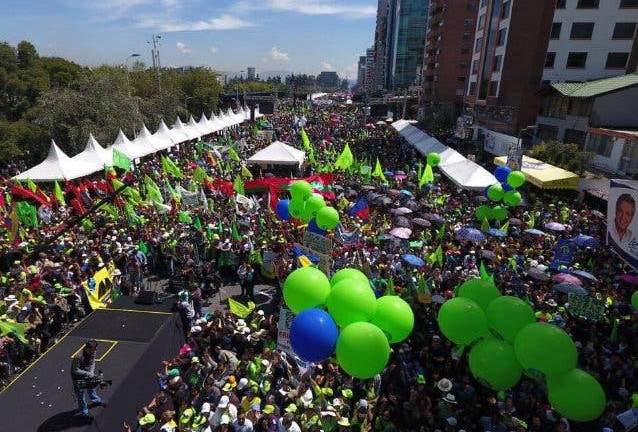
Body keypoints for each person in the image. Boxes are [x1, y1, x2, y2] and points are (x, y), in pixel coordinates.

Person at [71, 339, 104, 419]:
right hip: (78, 377)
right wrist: (88, 374)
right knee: (81, 395)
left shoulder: (93, 353)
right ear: (88, 349)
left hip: (87, 373)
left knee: (91, 387)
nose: (95, 351)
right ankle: (84, 411)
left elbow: (92, 363)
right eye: (94, 349)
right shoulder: (78, 357)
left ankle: (96, 400)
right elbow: (75, 370)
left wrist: (91, 372)